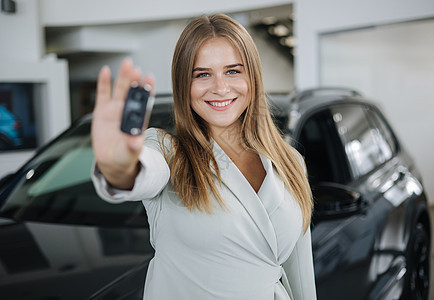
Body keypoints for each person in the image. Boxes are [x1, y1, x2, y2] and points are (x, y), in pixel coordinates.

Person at [91, 13, 316, 300]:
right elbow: (141, 173)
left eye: (233, 71)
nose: (220, 87)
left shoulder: (290, 161)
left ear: (253, 78)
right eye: (202, 74)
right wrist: (119, 166)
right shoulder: (168, 150)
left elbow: (300, 274)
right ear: (184, 84)